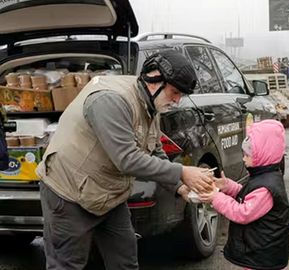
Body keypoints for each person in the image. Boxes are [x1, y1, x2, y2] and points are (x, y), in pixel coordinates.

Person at [36, 50, 213, 270]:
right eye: (175, 92)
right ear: (153, 80)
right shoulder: (111, 101)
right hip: (69, 193)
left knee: (125, 262)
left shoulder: (151, 103)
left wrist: (180, 187)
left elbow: (153, 149)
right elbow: (127, 159)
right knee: (67, 265)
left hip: (109, 195)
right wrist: (183, 172)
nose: (177, 101)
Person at [199, 119, 289, 270]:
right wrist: (228, 186)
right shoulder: (265, 177)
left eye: (247, 154)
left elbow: (243, 213)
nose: (243, 158)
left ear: (262, 154)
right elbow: (249, 195)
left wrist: (216, 198)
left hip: (262, 258)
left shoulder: (266, 188)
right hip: (259, 251)